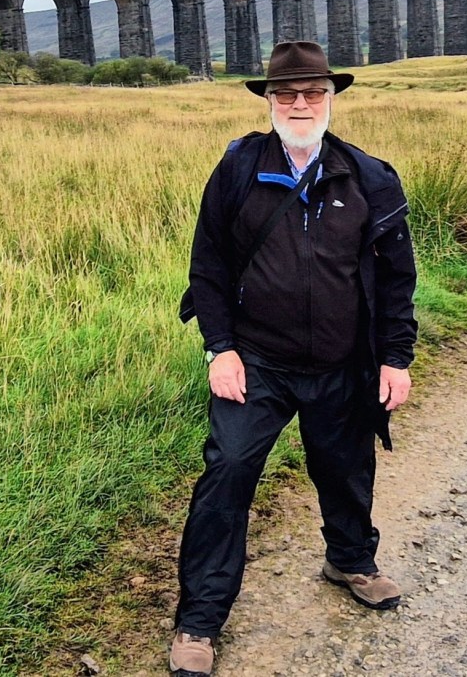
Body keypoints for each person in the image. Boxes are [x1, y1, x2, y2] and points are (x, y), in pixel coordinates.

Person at [170, 41, 418, 676]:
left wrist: (395, 357)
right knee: (226, 477)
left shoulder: (370, 177)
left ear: (332, 98)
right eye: (287, 94)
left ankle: (351, 560)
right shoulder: (237, 171)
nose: (300, 103)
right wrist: (219, 350)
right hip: (257, 364)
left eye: (313, 93)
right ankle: (199, 621)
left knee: (345, 469)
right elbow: (209, 268)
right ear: (269, 100)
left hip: (342, 362)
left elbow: (396, 278)